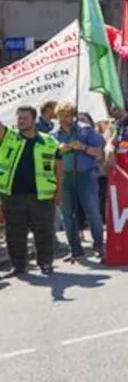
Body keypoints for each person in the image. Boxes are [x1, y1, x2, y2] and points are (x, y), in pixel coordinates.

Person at [0, 106, 63, 276]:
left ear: (34, 120)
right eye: (18, 118)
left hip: (42, 195)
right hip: (13, 195)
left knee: (44, 232)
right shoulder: (9, 137)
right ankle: (19, 266)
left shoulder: (49, 141)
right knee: (14, 233)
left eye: (24, 118)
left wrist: (59, 193)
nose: (20, 121)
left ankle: (46, 264)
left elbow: (58, 167)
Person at [52, 101, 105, 263]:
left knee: (93, 212)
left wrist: (83, 147)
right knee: (67, 215)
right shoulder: (54, 135)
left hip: (86, 176)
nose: (65, 119)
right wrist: (58, 151)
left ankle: (99, 246)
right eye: (62, 115)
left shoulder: (86, 130)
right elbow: (49, 157)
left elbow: (99, 152)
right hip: (65, 177)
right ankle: (75, 250)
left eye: (69, 115)